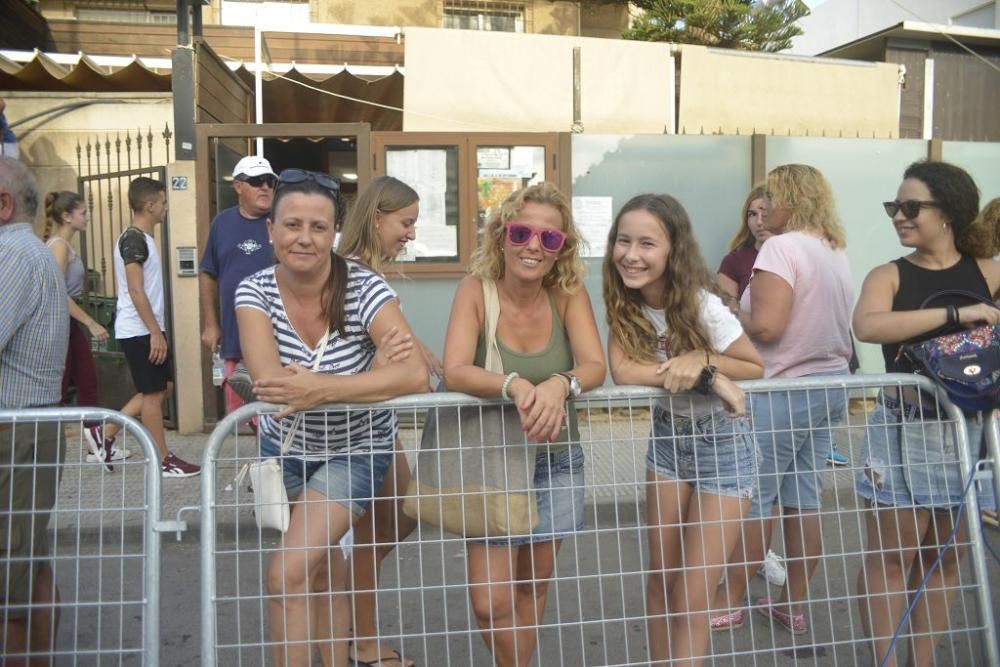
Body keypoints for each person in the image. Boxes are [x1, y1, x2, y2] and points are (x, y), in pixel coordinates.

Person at [235, 169, 428, 666]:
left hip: (355, 451)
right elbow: (272, 385)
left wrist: (319, 387)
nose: (304, 238)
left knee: (287, 573)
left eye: (318, 227)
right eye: (293, 225)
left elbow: (412, 376)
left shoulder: (364, 285)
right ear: (271, 230)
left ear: (335, 233)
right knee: (320, 572)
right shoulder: (253, 290)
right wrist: (371, 376)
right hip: (286, 451)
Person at [442, 182, 606, 667]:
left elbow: (594, 365)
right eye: (522, 232)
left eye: (549, 239)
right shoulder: (476, 290)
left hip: (557, 458)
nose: (534, 245)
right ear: (501, 237)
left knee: (532, 587)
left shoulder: (567, 294)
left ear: (562, 251)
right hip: (493, 460)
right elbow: (455, 369)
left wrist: (561, 384)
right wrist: (513, 383)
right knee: (490, 601)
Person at [604, 193, 763, 665]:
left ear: (674, 250)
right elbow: (624, 370)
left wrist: (702, 359)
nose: (631, 255)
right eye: (623, 241)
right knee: (661, 578)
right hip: (669, 441)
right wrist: (709, 376)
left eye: (647, 244)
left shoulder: (703, 305)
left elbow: (754, 366)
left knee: (693, 593)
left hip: (725, 447)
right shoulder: (625, 301)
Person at [853, 161, 1000, 667]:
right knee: (892, 559)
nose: (899, 216)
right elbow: (868, 326)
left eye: (911, 207)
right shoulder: (890, 274)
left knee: (946, 560)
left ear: (949, 211)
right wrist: (960, 314)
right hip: (903, 433)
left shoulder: (987, 271)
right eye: (894, 207)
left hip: (968, 434)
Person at [712, 164, 854, 635]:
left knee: (756, 501)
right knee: (803, 501)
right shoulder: (832, 248)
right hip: (829, 384)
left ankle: (729, 602)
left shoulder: (780, 247)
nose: (765, 208)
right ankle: (792, 604)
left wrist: (733, 314)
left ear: (792, 198)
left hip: (781, 387)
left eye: (772, 197)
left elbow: (769, 327)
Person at [336, 175, 432, 667]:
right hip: (361, 425)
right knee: (376, 532)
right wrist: (419, 370)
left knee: (396, 520)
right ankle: (363, 641)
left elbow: (402, 342)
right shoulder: (359, 275)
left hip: (375, 422)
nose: (411, 233)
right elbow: (399, 359)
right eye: (406, 222)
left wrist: (436, 363)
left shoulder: (363, 273)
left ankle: (344, 616)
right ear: (376, 219)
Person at [0, 156, 69, 660]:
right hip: (24, 429)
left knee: (11, 578)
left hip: (17, 431)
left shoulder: (14, 257)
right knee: (27, 563)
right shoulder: (22, 253)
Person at [113, 177, 199, 477]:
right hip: (139, 329)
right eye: (163, 202)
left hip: (145, 327)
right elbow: (136, 290)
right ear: (149, 205)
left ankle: (105, 431)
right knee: (152, 395)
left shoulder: (143, 239)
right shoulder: (134, 239)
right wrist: (154, 332)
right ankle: (162, 460)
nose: (166, 208)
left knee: (163, 388)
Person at [43, 191, 132, 467]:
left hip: (67, 324)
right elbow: (58, 293)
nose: (88, 216)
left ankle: (98, 447)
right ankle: (41, 445)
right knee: (62, 387)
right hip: (61, 324)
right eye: (83, 212)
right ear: (67, 217)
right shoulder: (58, 245)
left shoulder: (64, 245)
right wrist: (90, 322)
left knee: (86, 382)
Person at [199, 156, 277, 420]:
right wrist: (211, 323)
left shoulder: (282, 222)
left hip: (276, 336)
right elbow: (208, 273)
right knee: (246, 410)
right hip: (234, 335)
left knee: (273, 408)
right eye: (257, 181)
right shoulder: (221, 223)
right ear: (238, 186)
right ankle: (265, 460)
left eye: (270, 181)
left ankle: (274, 460)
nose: (265, 187)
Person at [716, 185, 770, 305]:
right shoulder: (734, 261)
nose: (759, 222)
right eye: (753, 214)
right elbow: (724, 314)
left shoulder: (794, 255)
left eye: (765, 213)